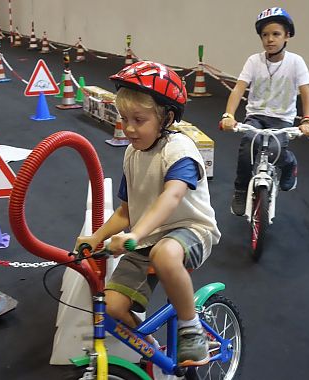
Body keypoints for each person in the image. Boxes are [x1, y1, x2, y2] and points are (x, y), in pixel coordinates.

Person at [76, 61, 221, 366]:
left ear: (166, 117)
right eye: (124, 118)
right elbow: (127, 211)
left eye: (138, 120)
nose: (128, 128)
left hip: (190, 229)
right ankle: (154, 350)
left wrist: (134, 235)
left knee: (165, 255)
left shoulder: (179, 149)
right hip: (143, 240)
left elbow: (172, 197)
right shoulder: (132, 153)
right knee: (112, 306)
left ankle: (191, 328)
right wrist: (96, 238)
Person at [220, 7, 309, 216]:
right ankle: (241, 188)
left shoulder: (296, 62)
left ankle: (290, 164)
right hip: (256, 116)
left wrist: (307, 120)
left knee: (276, 152)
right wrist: (228, 115)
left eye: (276, 34)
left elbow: (306, 92)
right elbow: (238, 88)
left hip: (282, 119)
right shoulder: (254, 61)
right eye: (265, 35)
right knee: (248, 148)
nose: (270, 39)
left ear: (287, 36)